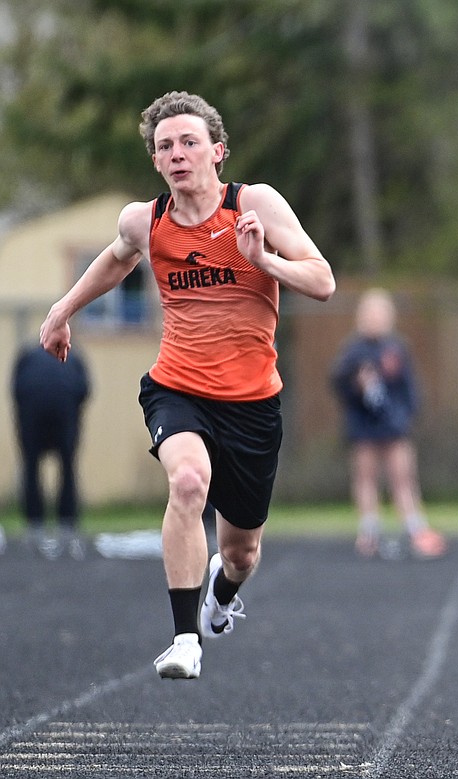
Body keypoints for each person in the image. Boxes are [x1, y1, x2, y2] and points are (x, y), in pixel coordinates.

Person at [39, 91, 335, 680]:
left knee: (242, 553)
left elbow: (322, 281)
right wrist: (62, 309)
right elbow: (118, 258)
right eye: (165, 146)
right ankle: (184, 639)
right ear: (155, 160)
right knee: (189, 480)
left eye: (189, 142)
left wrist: (264, 261)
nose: (177, 154)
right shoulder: (143, 220)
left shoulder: (255, 206)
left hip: (252, 402)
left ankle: (222, 597)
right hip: (178, 387)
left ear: (217, 152)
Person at [331, 288, 447, 560]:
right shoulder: (352, 351)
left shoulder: (397, 348)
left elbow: (410, 389)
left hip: (395, 427)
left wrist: (406, 416)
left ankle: (416, 530)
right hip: (363, 428)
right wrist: (357, 387)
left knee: (403, 478)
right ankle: (369, 533)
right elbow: (340, 385)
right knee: (366, 479)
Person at [11, 342, 91, 560]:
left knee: (31, 468)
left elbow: (15, 390)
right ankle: (67, 525)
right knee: (67, 468)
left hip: (32, 418)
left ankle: (34, 526)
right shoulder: (73, 358)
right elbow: (85, 390)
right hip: (64, 417)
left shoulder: (27, 357)